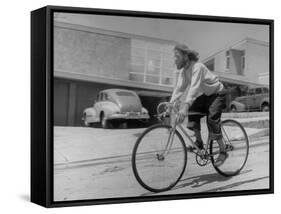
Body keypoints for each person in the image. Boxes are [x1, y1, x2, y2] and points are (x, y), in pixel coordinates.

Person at [169, 43, 227, 167]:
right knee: (193, 111)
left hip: (218, 93)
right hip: (207, 95)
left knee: (212, 119)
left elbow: (194, 88)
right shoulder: (184, 72)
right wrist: (170, 103)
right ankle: (199, 142)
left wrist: (184, 107)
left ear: (185, 56)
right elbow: (179, 89)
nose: (175, 59)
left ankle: (223, 151)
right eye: (174, 56)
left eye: (177, 56)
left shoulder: (197, 67)